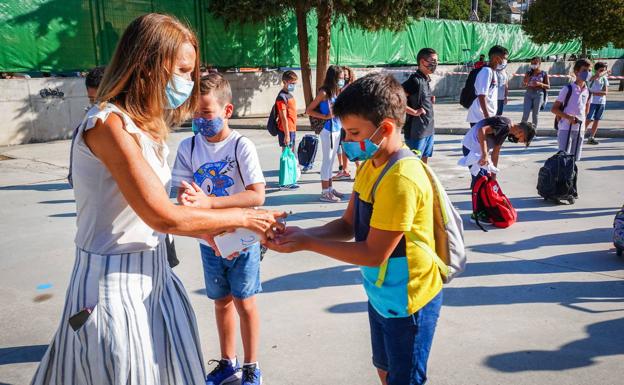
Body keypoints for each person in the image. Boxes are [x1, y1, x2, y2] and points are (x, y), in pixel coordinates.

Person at [31, 13, 283, 385]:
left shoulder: (142, 126)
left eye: (190, 71)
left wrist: (208, 232)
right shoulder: (107, 125)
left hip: (155, 278)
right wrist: (246, 219)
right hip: (112, 286)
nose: (187, 82)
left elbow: (148, 213)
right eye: (181, 70)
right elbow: (162, 217)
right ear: (146, 64)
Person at [268, 73, 443, 385]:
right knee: (385, 370)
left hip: (408, 304)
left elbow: (373, 253)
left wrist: (307, 243)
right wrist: (301, 233)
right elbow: (347, 224)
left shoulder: (401, 178)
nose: (347, 142)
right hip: (381, 297)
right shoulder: (371, 165)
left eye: (353, 133)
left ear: (386, 128)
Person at [171, 73, 266, 385]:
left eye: (206, 113)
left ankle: (251, 367)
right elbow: (182, 198)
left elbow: (257, 194)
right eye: (196, 113)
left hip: (241, 238)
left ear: (227, 111)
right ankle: (229, 362)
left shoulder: (241, 145)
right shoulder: (188, 147)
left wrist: (210, 204)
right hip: (207, 241)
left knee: (246, 302)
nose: (200, 119)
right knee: (221, 301)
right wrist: (204, 233)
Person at [458, 116, 535, 216]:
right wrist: (485, 154)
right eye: (522, 139)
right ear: (521, 132)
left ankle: (482, 209)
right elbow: (482, 130)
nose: (519, 141)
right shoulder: (505, 126)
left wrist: (494, 175)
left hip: (477, 150)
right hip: (472, 147)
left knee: (484, 180)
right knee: (480, 181)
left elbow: (495, 153)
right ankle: (477, 213)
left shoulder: (506, 130)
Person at [306, 65, 346, 202]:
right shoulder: (324, 93)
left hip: (336, 128)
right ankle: (325, 192)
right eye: (340, 78)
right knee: (327, 161)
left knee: (332, 161)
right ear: (333, 78)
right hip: (327, 130)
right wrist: (324, 117)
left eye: (343, 78)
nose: (343, 80)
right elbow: (309, 110)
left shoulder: (336, 92)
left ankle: (329, 188)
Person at [551, 58, 592, 161]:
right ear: (576, 72)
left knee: (575, 159)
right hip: (565, 128)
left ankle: (570, 177)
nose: (587, 73)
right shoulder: (568, 89)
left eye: (589, 70)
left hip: (580, 130)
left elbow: (586, 111)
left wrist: (583, 127)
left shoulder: (588, 91)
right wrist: (568, 117)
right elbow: (554, 109)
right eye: (584, 70)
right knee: (563, 158)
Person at [403, 47, 438, 163]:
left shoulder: (426, 79)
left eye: (436, 61)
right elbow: (395, 100)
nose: (435, 64)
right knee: (413, 163)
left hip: (428, 128)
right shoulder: (414, 81)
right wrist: (414, 112)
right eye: (433, 61)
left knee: (424, 163)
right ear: (423, 62)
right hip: (416, 132)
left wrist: (428, 99)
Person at [466, 45, 509, 127]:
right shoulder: (486, 72)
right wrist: (487, 117)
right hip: (480, 118)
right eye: (504, 58)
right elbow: (481, 95)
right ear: (496, 58)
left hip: (487, 117)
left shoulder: (494, 72)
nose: (505, 61)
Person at [275, 70, 301, 189]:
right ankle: (284, 182)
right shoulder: (281, 97)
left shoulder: (289, 95)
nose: (293, 85)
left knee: (291, 155)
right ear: (284, 82)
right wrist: (286, 135)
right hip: (286, 130)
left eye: (295, 83)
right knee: (286, 156)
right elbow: (283, 117)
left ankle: (290, 180)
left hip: (292, 129)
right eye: (291, 83)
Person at [335, 66, 357, 180]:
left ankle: (359, 170)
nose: (344, 77)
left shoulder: (351, 88)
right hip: (342, 120)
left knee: (352, 145)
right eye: (343, 75)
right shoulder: (341, 87)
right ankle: (345, 169)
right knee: (344, 145)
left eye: (346, 75)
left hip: (349, 120)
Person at [521, 57, 550, 129]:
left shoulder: (544, 73)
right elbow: (523, 85)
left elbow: (548, 86)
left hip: (538, 94)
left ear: (539, 64)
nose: (533, 64)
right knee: (526, 114)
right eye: (532, 63)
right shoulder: (528, 73)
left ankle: (533, 132)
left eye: (535, 63)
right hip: (528, 93)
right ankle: (521, 130)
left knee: (535, 115)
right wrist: (526, 81)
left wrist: (540, 84)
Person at [585, 62, 609, 145]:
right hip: (592, 102)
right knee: (589, 119)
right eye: (601, 70)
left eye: (604, 70)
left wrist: (595, 93)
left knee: (597, 120)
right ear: (596, 70)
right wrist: (594, 93)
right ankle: (578, 134)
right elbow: (596, 77)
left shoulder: (604, 78)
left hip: (602, 102)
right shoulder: (591, 76)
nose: (603, 72)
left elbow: (605, 92)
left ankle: (591, 137)